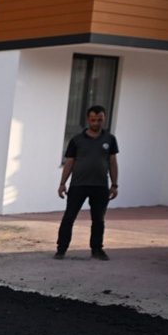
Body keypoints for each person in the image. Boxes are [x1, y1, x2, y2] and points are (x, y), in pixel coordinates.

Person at [55, 105, 119, 260]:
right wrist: (62, 183)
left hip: (100, 186)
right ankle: (61, 249)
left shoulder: (110, 139)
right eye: (93, 120)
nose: (96, 123)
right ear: (87, 120)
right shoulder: (77, 140)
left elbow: (112, 162)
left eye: (99, 120)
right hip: (78, 185)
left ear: (104, 119)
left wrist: (114, 184)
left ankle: (97, 249)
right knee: (69, 217)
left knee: (98, 220)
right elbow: (69, 162)